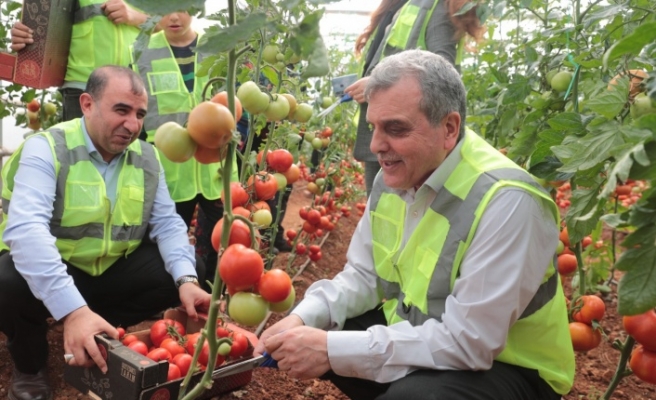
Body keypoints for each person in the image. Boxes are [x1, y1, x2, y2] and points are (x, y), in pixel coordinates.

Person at [255, 50, 575, 400]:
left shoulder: (508, 200)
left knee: (405, 389)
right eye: (374, 127)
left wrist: (332, 350)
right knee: (333, 325)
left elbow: (469, 342)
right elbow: (364, 275)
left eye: (396, 129)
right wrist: (303, 319)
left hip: (512, 368)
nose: (377, 146)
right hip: (430, 331)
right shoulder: (396, 177)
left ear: (449, 128)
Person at [0, 65, 211, 400]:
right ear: (86, 104)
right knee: (7, 279)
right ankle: (30, 366)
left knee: (190, 268)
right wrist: (72, 309)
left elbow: (168, 224)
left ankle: (99, 327)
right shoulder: (48, 148)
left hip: (109, 271)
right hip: (55, 270)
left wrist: (187, 281)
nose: (132, 125)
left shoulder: (147, 157)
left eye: (140, 114)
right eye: (121, 110)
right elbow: (26, 232)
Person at [131, 11, 237, 282]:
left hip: (217, 164)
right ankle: (170, 295)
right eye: (165, 8)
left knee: (221, 235)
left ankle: (213, 292)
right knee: (165, 235)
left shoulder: (218, 48)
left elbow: (234, 101)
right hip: (170, 165)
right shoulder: (141, 50)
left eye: (182, 7)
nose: (174, 16)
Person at [345, 0, 483, 195]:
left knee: (401, 205)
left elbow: (443, 72)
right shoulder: (402, 6)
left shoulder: (437, 8)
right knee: (385, 207)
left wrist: (373, 83)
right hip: (386, 129)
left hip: (404, 133)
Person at [10, 0, 147, 121]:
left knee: (137, 150)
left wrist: (137, 17)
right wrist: (25, 36)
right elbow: (40, 22)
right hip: (83, 88)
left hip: (138, 90)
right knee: (81, 148)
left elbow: (165, 22)